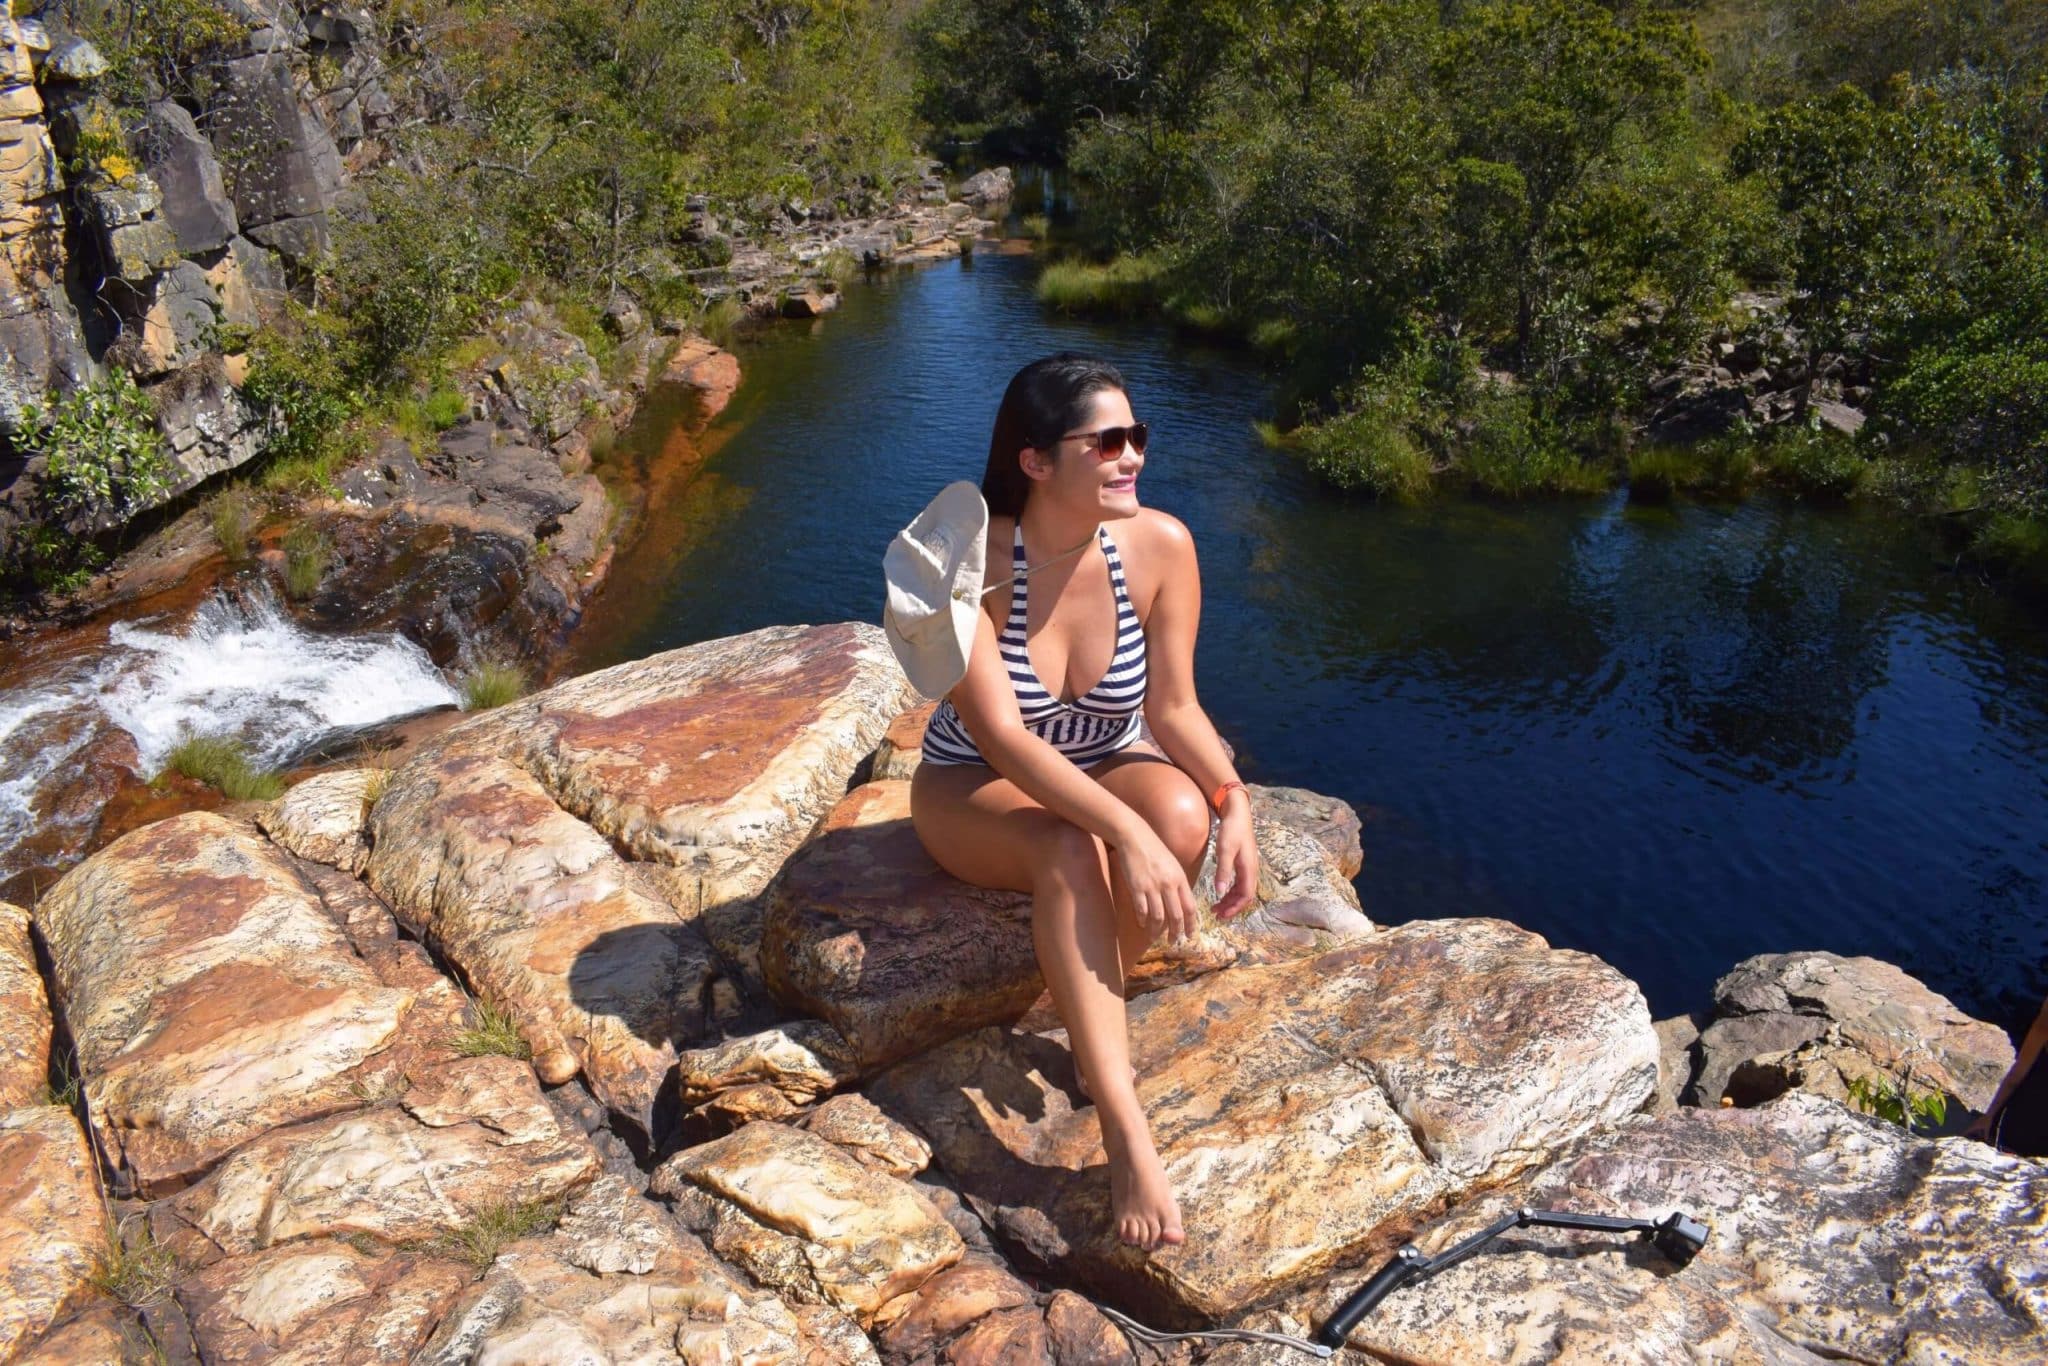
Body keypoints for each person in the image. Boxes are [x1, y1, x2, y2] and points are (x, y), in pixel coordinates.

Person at [909, 353, 1259, 1251]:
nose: (1131, 456)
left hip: (1104, 760)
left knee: (1180, 816)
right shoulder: (969, 561)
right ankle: (1122, 1121)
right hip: (971, 784)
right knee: (1073, 850)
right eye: (1105, 442)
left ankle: (1078, 999)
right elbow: (1004, 740)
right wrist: (1121, 835)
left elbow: (1172, 708)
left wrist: (1231, 797)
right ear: (1033, 460)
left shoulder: (1159, 546)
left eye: (1136, 436)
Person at [1967, 989, 2048, 1157]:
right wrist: (1989, 1116)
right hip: (2022, 1126)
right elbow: (2018, 1073)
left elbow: (2018, 1073)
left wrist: (1990, 1115)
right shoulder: (2044, 1024)